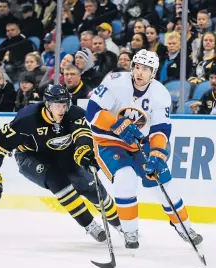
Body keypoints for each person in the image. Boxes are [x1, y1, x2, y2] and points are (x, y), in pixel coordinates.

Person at [85, 49, 203, 249]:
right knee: (125, 178)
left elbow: (161, 129)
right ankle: (130, 231)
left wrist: (157, 153)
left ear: (154, 73)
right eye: (137, 67)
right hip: (108, 141)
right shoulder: (114, 81)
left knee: (164, 183)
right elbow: (92, 112)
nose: (139, 73)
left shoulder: (160, 94)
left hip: (141, 142)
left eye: (146, 69)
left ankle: (184, 228)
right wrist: (118, 125)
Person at [0, 84, 121, 242]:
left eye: (65, 104)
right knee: (57, 179)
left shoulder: (75, 113)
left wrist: (85, 152)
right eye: (57, 105)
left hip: (64, 155)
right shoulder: (26, 119)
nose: (62, 109)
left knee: (92, 189)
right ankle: (89, 224)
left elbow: (82, 135)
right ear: (47, 104)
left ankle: (120, 224)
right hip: (31, 157)